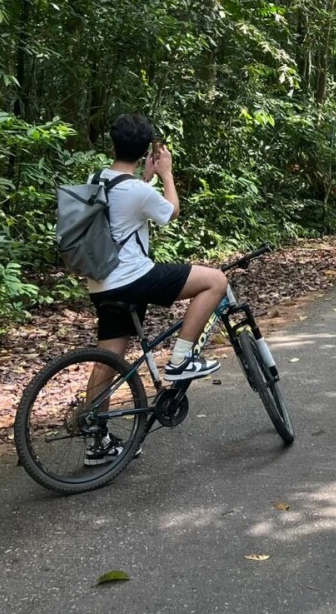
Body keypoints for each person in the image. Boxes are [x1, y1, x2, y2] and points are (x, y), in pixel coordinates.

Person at [84, 112, 228, 465]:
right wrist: (165, 175)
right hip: (134, 278)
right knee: (216, 281)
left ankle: (95, 442)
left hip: (101, 283)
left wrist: (145, 178)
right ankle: (181, 359)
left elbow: (125, 207)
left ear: (113, 144)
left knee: (109, 361)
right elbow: (170, 212)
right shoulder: (135, 190)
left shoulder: (97, 179)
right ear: (146, 148)